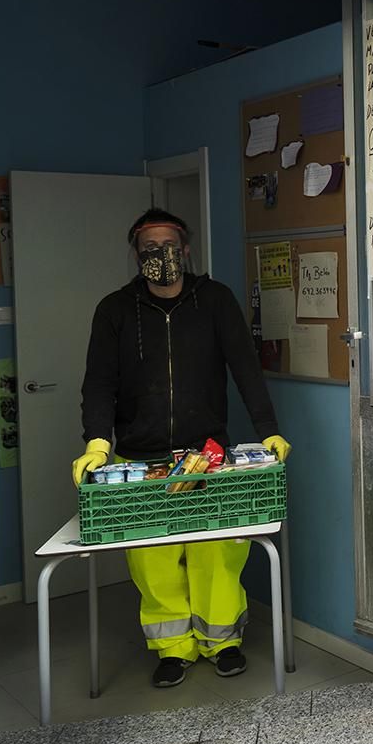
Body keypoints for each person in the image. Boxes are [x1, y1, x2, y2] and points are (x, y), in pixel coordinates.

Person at [74, 208, 291, 688]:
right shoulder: (114, 310)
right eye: (148, 247)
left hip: (207, 454)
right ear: (136, 253)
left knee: (217, 552)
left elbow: (246, 371)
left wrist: (268, 428)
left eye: (167, 244)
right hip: (140, 458)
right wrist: (96, 441)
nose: (159, 255)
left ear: (186, 249)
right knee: (153, 559)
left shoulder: (214, 301)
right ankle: (172, 648)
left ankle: (223, 642)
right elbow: (98, 383)